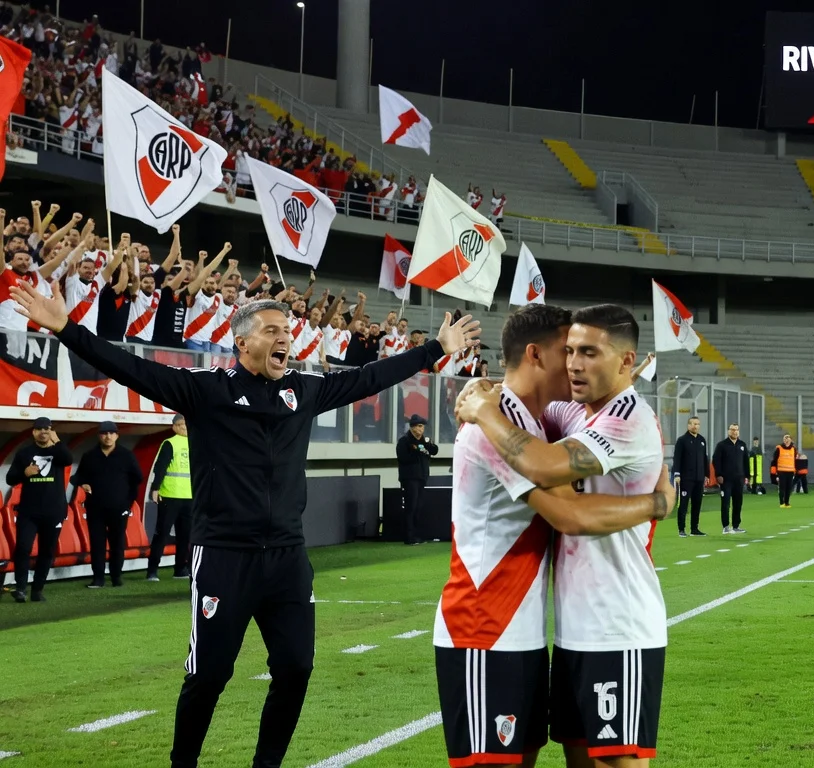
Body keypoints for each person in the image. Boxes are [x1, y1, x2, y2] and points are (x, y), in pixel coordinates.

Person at [9, 280, 480, 768]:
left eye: (288, 331)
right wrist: (66, 328)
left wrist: (433, 350)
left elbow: (369, 378)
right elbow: (131, 367)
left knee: (296, 667)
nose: (286, 339)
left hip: (287, 558)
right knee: (209, 675)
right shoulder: (206, 391)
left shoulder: (305, 390)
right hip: (222, 557)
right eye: (273, 331)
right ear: (243, 344)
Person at [436, 304, 674, 767]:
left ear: (625, 360)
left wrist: (658, 504)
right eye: (568, 351)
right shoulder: (533, 421)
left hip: (611, 626)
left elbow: (555, 486)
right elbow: (566, 510)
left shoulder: (525, 423)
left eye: (586, 352)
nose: (573, 363)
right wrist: (655, 504)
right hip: (490, 628)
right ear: (536, 354)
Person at [5, 417, 73, 603]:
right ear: (33, 432)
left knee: (47, 551)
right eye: (40, 429)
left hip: (54, 511)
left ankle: (37, 590)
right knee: (23, 548)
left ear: (52, 431)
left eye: (47, 429)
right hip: (29, 511)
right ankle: (20, 588)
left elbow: (68, 459)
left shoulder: (58, 451)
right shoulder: (25, 453)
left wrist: (57, 440)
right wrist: (24, 473)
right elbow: (10, 479)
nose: (43, 432)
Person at [72, 420, 143, 588]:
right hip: (95, 508)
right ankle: (98, 578)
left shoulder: (126, 455)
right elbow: (77, 477)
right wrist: (83, 484)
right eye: (104, 433)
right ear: (99, 436)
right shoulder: (89, 456)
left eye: (111, 433)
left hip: (119, 508)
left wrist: (128, 503)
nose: (108, 437)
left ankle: (116, 577)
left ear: (117, 435)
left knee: (117, 544)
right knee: (97, 544)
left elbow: (137, 479)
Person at [148, 414, 194, 581]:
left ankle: (180, 569)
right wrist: (155, 488)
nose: (184, 428)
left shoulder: (195, 443)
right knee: (162, 533)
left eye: (186, 425)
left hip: (189, 496)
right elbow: (160, 467)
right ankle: (152, 570)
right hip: (170, 495)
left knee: (185, 535)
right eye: (181, 425)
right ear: (174, 427)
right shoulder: (170, 443)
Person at [395, 414, 438, 545]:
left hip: (422, 477)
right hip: (409, 478)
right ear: (412, 427)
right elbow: (403, 458)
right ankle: (409, 537)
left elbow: (434, 451)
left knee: (419, 507)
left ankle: (417, 535)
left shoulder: (423, 441)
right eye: (419, 426)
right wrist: (417, 452)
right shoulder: (404, 441)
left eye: (422, 427)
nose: (421, 429)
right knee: (410, 506)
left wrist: (428, 444)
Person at [672, 415, 709, 537]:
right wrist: (677, 474)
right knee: (683, 504)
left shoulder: (702, 440)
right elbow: (677, 458)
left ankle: (694, 529)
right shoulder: (682, 440)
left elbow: (705, 458)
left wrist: (707, 474)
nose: (695, 426)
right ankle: (681, 529)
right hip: (686, 479)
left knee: (697, 504)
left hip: (699, 478)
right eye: (693, 424)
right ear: (688, 425)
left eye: (697, 424)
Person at [713, 422, 749, 535]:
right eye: (732, 430)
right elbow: (716, 461)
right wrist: (718, 475)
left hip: (739, 479)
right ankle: (725, 526)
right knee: (726, 503)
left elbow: (746, 462)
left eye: (736, 430)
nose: (735, 432)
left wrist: (747, 476)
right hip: (726, 480)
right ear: (728, 431)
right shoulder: (722, 445)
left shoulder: (742, 445)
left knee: (738, 503)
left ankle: (736, 526)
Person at [770, 434, 798, 507]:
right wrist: (774, 473)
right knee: (782, 487)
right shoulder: (779, 448)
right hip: (781, 471)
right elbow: (774, 461)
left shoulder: (793, 449)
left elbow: (795, 460)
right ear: (783, 440)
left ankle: (787, 503)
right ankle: (781, 503)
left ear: (791, 440)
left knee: (789, 488)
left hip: (790, 471)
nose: (787, 441)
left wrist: (795, 471)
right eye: (785, 439)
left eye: (788, 439)